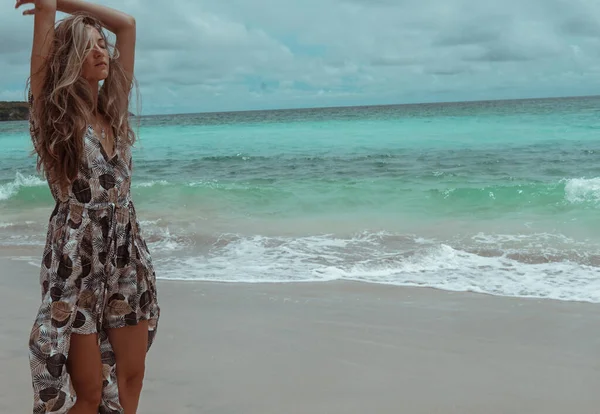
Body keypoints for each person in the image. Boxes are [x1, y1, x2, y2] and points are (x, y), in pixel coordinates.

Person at [16, 0, 160, 413]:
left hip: (124, 254)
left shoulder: (111, 111)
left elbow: (127, 25)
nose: (102, 52)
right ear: (68, 60)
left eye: (102, 45)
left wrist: (65, 2)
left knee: (132, 375)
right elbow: (41, 65)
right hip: (76, 260)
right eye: (88, 47)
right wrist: (46, 10)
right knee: (91, 391)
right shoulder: (55, 116)